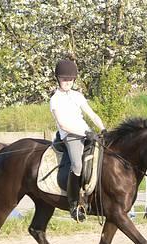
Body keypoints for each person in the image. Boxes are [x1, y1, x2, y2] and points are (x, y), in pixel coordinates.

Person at [50, 58, 106, 222]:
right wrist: (84, 133)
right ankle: (73, 204)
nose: (67, 82)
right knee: (77, 165)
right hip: (71, 136)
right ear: (58, 79)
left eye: (69, 79)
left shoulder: (77, 96)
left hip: (86, 132)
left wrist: (102, 129)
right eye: (64, 79)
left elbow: (91, 114)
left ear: (74, 80)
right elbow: (62, 124)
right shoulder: (55, 99)